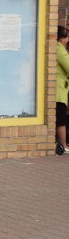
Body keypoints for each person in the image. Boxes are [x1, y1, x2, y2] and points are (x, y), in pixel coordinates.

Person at [55, 25, 69, 154]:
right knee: (61, 119)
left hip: (60, 89)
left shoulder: (59, 48)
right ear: (61, 38)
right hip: (58, 91)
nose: (68, 39)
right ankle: (64, 145)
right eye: (67, 37)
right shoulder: (59, 50)